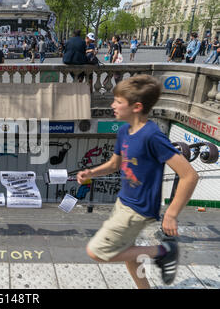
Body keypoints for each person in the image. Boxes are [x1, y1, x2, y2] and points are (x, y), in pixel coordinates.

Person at [77, 74, 199, 289]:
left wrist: (171, 214)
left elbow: (189, 175)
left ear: (136, 106)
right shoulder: (125, 130)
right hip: (124, 201)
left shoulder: (152, 136)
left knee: (97, 252)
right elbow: (115, 164)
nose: (113, 105)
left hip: (137, 209)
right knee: (129, 253)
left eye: (118, 102)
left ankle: (163, 251)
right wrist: (91, 172)